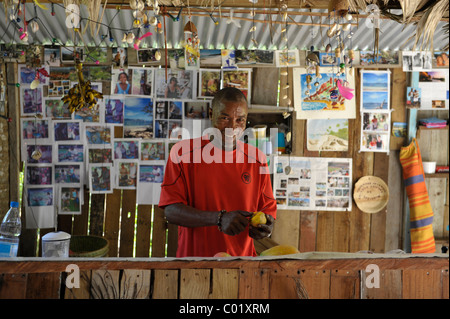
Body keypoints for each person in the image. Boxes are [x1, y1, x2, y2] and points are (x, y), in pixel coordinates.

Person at [159, 87, 276, 257]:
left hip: (241, 265)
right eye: (224, 118)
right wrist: (219, 218)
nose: (232, 127)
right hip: (194, 265)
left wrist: (266, 228)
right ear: (211, 114)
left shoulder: (257, 159)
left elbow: (267, 212)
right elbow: (170, 211)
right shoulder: (183, 153)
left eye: (240, 120)